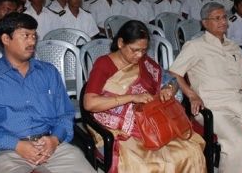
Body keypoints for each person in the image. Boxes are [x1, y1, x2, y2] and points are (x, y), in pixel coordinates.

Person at [0, 12, 95, 173]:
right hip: (10, 151)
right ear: (6, 39)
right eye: (25, 35)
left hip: (52, 147)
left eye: (34, 36)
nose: (32, 41)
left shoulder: (48, 72)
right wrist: (16, 145)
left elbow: (65, 113)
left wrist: (55, 139)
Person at [170, 2, 242, 173]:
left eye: (224, 17)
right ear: (204, 23)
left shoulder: (234, 47)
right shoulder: (195, 46)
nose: (223, 21)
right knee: (237, 143)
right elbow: (174, 72)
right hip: (212, 107)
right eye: (216, 18)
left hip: (240, 101)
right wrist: (191, 95)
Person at [84, 20, 207, 173]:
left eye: (143, 50)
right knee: (147, 166)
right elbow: (89, 103)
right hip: (121, 130)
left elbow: (172, 81)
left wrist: (168, 89)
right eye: (134, 50)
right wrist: (131, 97)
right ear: (121, 43)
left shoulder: (145, 62)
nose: (139, 55)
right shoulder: (104, 64)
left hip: (152, 122)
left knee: (191, 152)